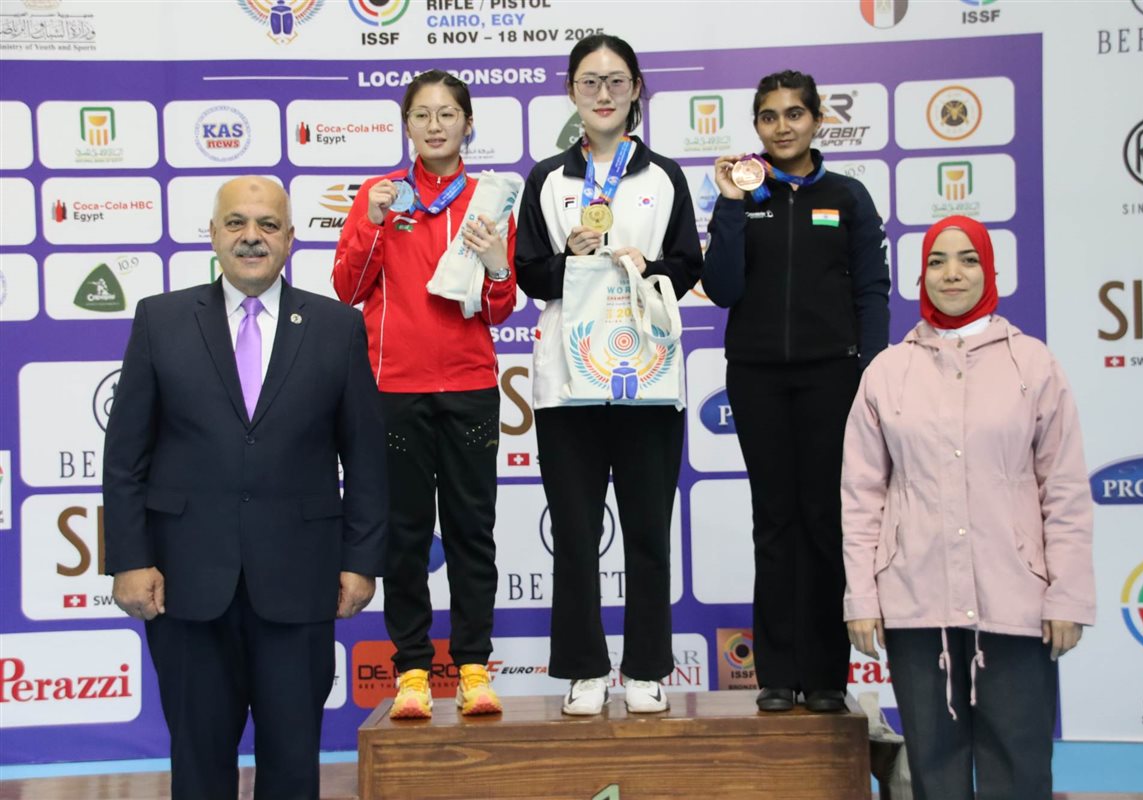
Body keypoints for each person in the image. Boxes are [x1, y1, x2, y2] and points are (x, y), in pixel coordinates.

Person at [103, 176, 387, 800]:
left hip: (300, 580)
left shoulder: (338, 326)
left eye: (267, 225)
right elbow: (125, 458)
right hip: (184, 583)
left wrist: (361, 561)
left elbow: (366, 459)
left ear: (290, 238)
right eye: (236, 223)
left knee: (292, 764)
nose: (251, 237)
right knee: (199, 765)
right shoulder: (160, 319)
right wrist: (128, 559)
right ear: (213, 234)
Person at [842, 215, 1094, 800]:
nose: (951, 273)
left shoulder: (1033, 365)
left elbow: (1063, 489)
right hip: (915, 602)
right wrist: (863, 597)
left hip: (1016, 601)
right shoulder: (887, 372)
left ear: (989, 270)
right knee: (934, 771)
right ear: (921, 275)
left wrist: (1068, 595)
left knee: (1019, 769)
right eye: (937, 261)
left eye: (968, 259)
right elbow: (861, 496)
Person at [516, 34, 703, 716]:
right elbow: (528, 273)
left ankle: (648, 668)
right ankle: (584, 669)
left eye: (616, 81)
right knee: (574, 532)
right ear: (571, 91)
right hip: (569, 382)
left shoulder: (664, 177)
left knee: (649, 530)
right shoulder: (548, 179)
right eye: (590, 82)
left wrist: (647, 267)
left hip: (646, 378)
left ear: (636, 90)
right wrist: (569, 256)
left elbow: (688, 264)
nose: (603, 94)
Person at [702, 69, 890, 713]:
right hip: (756, 377)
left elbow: (871, 290)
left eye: (794, 114)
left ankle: (828, 676)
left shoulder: (848, 196)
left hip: (832, 378)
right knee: (775, 522)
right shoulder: (743, 192)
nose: (782, 127)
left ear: (817, 120)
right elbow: (723, 288)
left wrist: (870, 374)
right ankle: (777, 675)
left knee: (825, 521)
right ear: (757, 124)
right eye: (769, 116)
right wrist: (730, 204)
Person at [332, 69, 516, 719]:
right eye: (422, 115)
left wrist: (496, 265)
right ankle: (411, 671)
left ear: (468, 123)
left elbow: (498, 309)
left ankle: (472, 669)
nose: (435, 126)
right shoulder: (380, 195)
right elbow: (348, 288)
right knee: (404, 537)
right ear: (406, 124)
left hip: (470, 387)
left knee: (472, 534)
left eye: (447, 114)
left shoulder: (491, 198)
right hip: (394, 390)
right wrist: (374, 223)